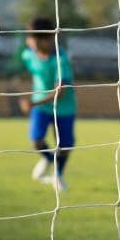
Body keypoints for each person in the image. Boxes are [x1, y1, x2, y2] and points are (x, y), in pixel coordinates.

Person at [19, 16, 76, 192]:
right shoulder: (28, 54)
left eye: (33, 39)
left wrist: (33, 102)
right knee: (36, 140)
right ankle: (49, 160)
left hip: (64, 107)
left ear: (47, 39)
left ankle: (57, 175)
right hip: (42, 107)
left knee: (65, 146)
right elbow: (38, 75)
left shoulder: (60, 59)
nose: (29, 41)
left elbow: (61, 92)